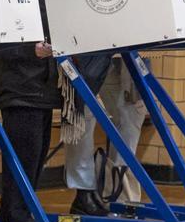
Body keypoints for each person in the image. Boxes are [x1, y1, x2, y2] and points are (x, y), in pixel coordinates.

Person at [0, 0, 62, 222]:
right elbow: (0, 37)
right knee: (22, 154)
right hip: (20, 84)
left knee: (37, 153)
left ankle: (25, 209)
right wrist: (31, 50)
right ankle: (13, 214)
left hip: (41, 84)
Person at [62, 56, 147, 210]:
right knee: (83, 113)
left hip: (127, 49)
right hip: (88, 49)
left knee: (133, 112)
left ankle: (119, 189)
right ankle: (84, 189)